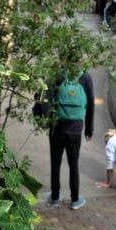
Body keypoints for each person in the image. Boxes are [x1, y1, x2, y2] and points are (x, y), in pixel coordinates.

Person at [35, 57, 95, 210]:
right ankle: (75, 199)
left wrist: (44, 120)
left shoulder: (57, 76)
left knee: (55, 164)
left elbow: (43, 96)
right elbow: (91, 104)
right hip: (75, 130)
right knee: (73, 165)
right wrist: (89, 129)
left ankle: (55, 197)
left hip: (57, 128)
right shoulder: (85, 77)